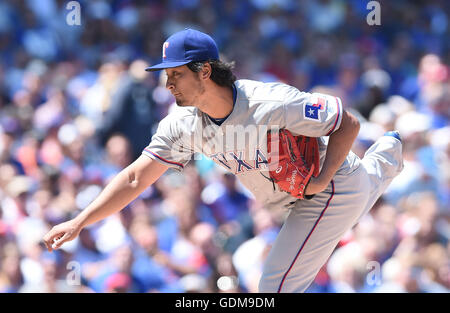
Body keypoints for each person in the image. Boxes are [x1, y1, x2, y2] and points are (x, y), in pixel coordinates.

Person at [43, 29, 404, 293]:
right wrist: (80, 220)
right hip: (301, 200)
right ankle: (387, 156)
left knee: (272, 289)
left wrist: (323, 179)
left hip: (329, 191)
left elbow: (348, 123)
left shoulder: (270, 101)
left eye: (176, 73)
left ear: (204, 71)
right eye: (167, 75)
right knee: (363, 187)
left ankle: (379, 166)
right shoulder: (181, 124)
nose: (168, 83)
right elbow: (137, 178)